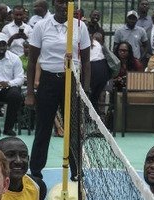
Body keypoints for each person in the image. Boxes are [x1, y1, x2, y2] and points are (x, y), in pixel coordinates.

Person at [26, 0, 90, 180]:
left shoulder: (80, 26)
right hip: (48, 81)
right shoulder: (41, 26)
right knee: (43, 128)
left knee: (73, 129)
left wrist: (84, 89)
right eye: (61, 2)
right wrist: (30, 93)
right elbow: (31, 62)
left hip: (72, 82)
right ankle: (36, 171)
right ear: (55, 4)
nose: (64, 6)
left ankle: (76, 171)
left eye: (68, 2)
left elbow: (86, 62)